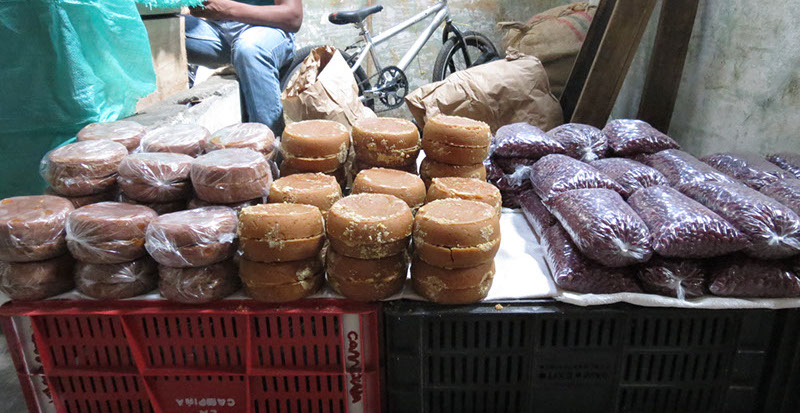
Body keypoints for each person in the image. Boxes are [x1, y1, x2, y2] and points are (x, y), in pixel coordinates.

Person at [186, 0, 303, 134]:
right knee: (167, 29)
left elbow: (293, 17)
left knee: (249, 49)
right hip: (217, 32)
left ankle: (269, 140)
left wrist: (226, 9)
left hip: (267, 30)